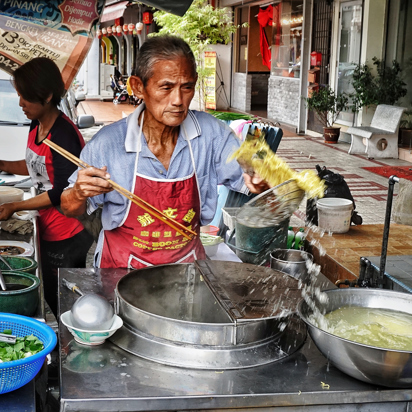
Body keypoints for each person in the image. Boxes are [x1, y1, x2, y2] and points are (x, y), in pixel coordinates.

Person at [61, 35, 269, 269]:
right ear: (138, 87)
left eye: (187, 87)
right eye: (166, 88)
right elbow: (68, 208)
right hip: (122, 270)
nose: (178, 100)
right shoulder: (108, 143)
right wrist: (79, 193)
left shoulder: (211, 134)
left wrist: (262, 176)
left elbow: (256, 175)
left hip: (186, 269)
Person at [0, 57, 94, 315]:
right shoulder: (38, 123)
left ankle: (73, 345)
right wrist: (2, 163)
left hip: (69, 231)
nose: (20, 104)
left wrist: (15, 205)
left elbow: (61, 192)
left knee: (64, 299)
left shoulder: (63, 136)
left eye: (26, 97)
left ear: (48, 95)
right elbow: (35, 167)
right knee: (52, 294)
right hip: (48, 224)